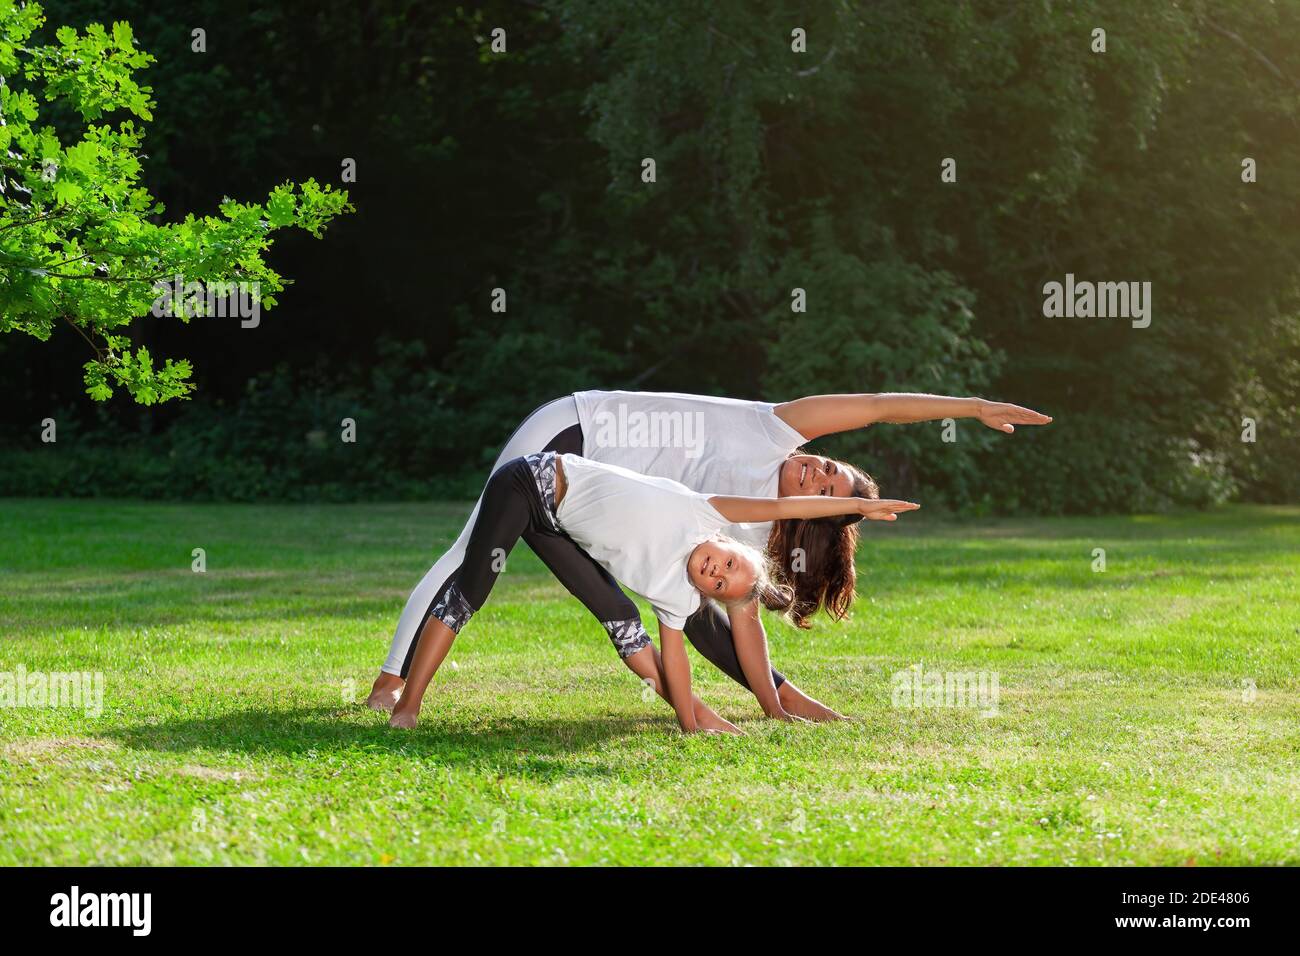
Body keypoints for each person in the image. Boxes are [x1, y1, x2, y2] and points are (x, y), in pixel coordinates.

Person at [369, 390, 1051, 720]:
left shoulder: (740, 543)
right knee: (472, 550)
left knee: (637, 609)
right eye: (828, 466)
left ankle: (706, 709)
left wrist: (778, 697)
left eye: (827, 488)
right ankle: (391, 686)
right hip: (579, 429)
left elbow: (712, 621)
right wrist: (968, 407)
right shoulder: (774, 428)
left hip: (579, 500)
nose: (815, 470)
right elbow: (872, 406)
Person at [388, 450, 920, 731]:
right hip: (531, 481)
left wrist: (688, 719)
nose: (715, 569)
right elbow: (784, 508)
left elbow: (686, 655)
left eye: (717, 581)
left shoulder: (675, 597)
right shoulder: (706, 512)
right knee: (471, 590)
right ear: (728, 544)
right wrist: (855, 508)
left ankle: (699, 716)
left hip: (554, 525)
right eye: (727, 562)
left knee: (624, 623)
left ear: (705, 594)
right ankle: (407, 703)